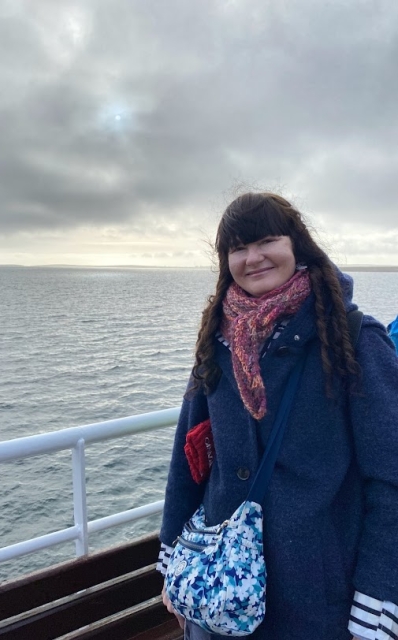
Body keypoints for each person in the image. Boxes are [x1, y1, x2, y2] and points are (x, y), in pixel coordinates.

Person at [158, 193, 398, 640]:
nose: (253, 258)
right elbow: (188, 457)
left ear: (297, 246)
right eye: (237, 248)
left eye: (266, 240)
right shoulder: (219, 340)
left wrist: (378, 596)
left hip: (320, 598)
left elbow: (390, 478)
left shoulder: (353, 339)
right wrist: (172, 554)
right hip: (220, 592)